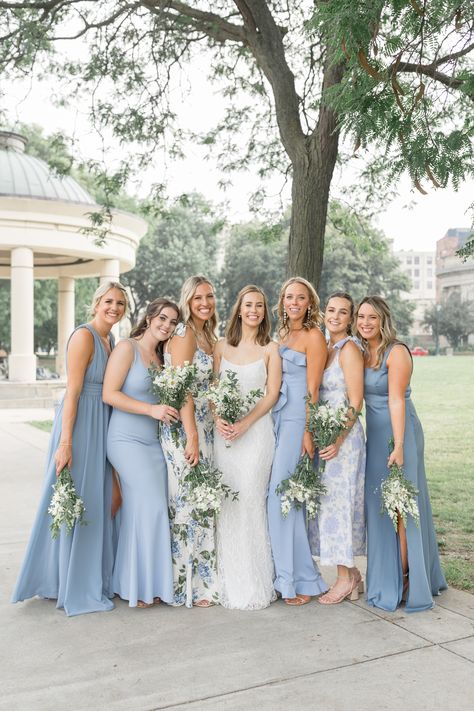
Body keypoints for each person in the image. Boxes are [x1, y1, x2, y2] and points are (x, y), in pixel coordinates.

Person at [12, 281, 128, 616]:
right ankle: (64, 579)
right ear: (95, 304)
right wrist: (65, 443)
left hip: (102, 421)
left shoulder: (111, 340)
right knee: (72, 500)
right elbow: (73, 392)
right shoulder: (84, 336)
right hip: (78, 426)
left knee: (99, 500)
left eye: (120, 303)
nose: (114, 308)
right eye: (109, 301)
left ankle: (89, 574)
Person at [356, 295, 447, 612]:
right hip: (375, 434)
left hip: (401, 434)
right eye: (361, 317)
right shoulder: (362, 351)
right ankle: (388, 576)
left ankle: (408, 577)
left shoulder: (397, 352)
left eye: (372, 318)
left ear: (383, 321)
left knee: (402, 508)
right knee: (380, 506)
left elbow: (396, 400)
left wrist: (397, 445)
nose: (365, 323)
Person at [103, 298, 180, 608]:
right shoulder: (127, 348)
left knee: (147, 508)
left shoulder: (162, 357)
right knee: (150, 507)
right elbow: (110, 394)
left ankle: (137, 583)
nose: (167, 325)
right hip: (125, 441)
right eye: (163, 318)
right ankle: (141, 586)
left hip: (153, 444)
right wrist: (152, 409)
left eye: (173, 322)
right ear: (150, 317)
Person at [214, 285, 282, 609]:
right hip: (224, 437)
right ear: (238, 310)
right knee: (227, 503)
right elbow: (213, 389)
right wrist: (219, 420)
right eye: (248, 305)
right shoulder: (221, 346)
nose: (253, 310)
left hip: (256, 435)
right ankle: (227, 580)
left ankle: (255, 582)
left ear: (265, 312)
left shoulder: (271, 348)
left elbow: (272, 394)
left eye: (259, 305)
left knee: (252, 500)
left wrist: (245, 423)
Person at [267, 277, 328, 605]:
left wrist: (307, 431)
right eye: (289, 296)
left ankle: (300, 580)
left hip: (296, 421)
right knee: (285, 499)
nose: (294, 302)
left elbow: (314, 388)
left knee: (282, 498)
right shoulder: (281, 334)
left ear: (309, 303)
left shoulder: (314, 336)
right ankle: (291, 576)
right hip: (275, 418)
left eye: (300, 297)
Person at [161, 275, 219, 607]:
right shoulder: (184, 335)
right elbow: (182, 388)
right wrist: (193, 435)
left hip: (206, 428)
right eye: (198, 298)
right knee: (186, 503)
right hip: (185, 431)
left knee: (203, 501)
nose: (205, 303)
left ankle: (205, 581)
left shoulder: (207, 335)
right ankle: (187, 586)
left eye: (209, 297)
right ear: (188, 300)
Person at [308, 292, 366, 604]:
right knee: (329, 505)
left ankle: (344, 579)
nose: (335, 316)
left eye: (343, 312)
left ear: (350, 318)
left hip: (344, 440)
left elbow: (356, 401)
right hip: (325, 439)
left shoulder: (349, 349)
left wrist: (338, 438)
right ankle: (352, 575)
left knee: (341, 507)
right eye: (331, 310)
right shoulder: (327, 347)